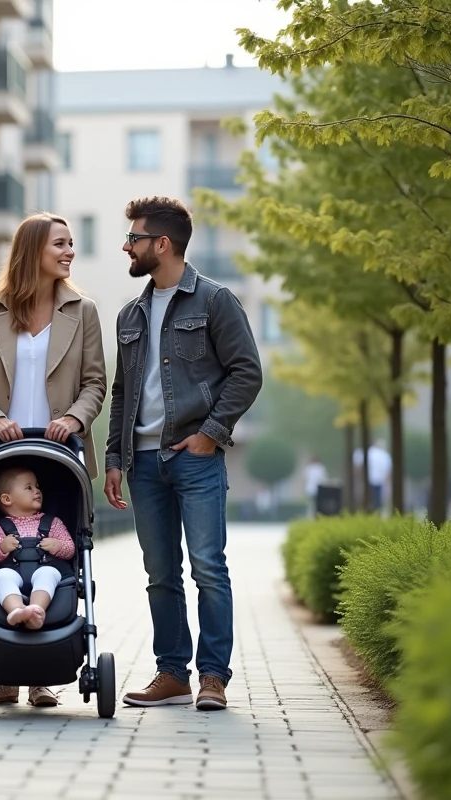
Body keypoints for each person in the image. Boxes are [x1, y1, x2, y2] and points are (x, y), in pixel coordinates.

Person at [103, 196, 263, 711]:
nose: (126, 246)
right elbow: (123, 393)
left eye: (134, 238)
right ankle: (172, 672)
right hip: (143, 464)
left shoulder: (215, 301)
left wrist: (211, 433)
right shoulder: (131, 313)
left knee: (208, 567)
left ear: (162, 244)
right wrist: (114, 458)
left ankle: (212, 676)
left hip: (195, 457)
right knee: (160, 573)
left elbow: (247, 372)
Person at [0, 212, 107, 708]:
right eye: (60, 244)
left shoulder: (82, 310)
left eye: (71, 244)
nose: (69, 252)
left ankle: (41, 675)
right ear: (33, 251)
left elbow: (94, 383)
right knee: (0, 559)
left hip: (59, 450)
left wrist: (78, 420)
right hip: (2, 449)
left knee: (50, 557)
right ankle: (4, 673)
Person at [0, 467, 75, 630]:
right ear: (7, 499)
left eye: (37, 486)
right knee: (1, 576)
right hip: (12, 570)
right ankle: (16, 610)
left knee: (48, 573)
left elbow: (70, 549)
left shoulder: (53, 523)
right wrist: (2, 546)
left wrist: (57, 545)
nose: (37, 491)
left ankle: (36, 610)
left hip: (44, 567)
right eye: (29, 487)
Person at [353, 439, 392, 512]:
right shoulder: (385, 455)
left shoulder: (367, 452)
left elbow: (358, 466)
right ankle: (376, 513)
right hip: (379, 482)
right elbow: (387, 472)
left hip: (368, 481)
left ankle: (368, 511)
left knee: (367, 500)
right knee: (377, 502)